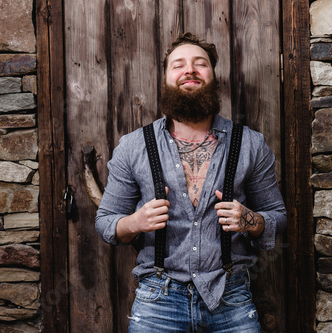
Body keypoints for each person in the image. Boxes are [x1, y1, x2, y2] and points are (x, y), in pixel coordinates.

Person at [96, 32, 286, 332]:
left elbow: (278, 217)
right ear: (166, 79)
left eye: (200, 64)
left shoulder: (250, 144)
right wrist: (135, 221)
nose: (190, 70)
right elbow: (106, 222)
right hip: (158, 300)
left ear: (213, 76)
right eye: (178, 65)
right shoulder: (133, 146)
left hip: (231, 295)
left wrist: (251, 220)